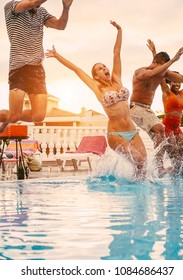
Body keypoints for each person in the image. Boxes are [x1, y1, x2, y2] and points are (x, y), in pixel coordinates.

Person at [45, 21, 147, 180]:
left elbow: (116, 53)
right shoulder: (97, 88)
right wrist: (57, 55)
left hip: (132, 131)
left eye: (104, 66)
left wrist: (120, 31)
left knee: (143, 165)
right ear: (96, 76)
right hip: (116, 134)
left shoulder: (117, 80)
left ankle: (137, 196)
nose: (105, 69)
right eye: (100, 69)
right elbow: (77, 69)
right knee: (138, 161)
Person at [0, 0, 74, 137]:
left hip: (36, 69)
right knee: (14, 117)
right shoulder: (12, 7)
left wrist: (66, 7)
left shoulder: (42, 13)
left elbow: (61, 25)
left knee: (39, 116)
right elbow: (31, 3)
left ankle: (7, 117)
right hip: (19, 68)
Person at [130, 39, 183, 176]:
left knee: (163, 135)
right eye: (163, 67)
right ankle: (158, 166)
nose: (164, 71)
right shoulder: (140, 72)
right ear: (155, 63)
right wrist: (174, 59)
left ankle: (163, 168)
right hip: (136, 108)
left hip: (148, 110)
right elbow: (152, 73)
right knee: (160, 128)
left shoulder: (162, 72)